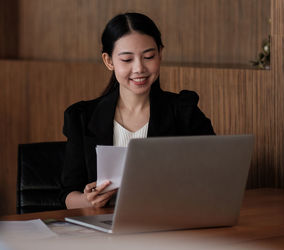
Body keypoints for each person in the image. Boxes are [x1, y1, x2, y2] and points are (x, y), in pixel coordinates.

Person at [60, 13, 215, 209]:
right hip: (105, 231)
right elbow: (67, 194)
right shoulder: (81, 117)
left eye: (149, 57)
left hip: (170, 227)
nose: (139, 68)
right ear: (109, 61)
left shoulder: (185, 112)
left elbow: (213, 178)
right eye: (127, 60)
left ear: (160, 54)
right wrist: (89, 201)